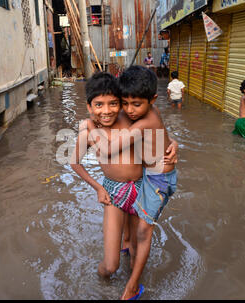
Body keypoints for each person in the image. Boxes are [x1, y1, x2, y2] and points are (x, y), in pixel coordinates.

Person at [70, 72, 178, 282]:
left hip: (141, 187)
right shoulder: (87, 129)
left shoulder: (128, 117)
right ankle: (101, 284)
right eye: (99, 105)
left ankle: (133, 284)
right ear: (89, 106)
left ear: (120, 103)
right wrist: (98, 188)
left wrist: (174, 144)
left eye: (113, 103)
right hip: (112, 192)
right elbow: (75, 162)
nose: (107, 110)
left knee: (135, 249)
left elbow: (156, 132)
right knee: (110, 265)